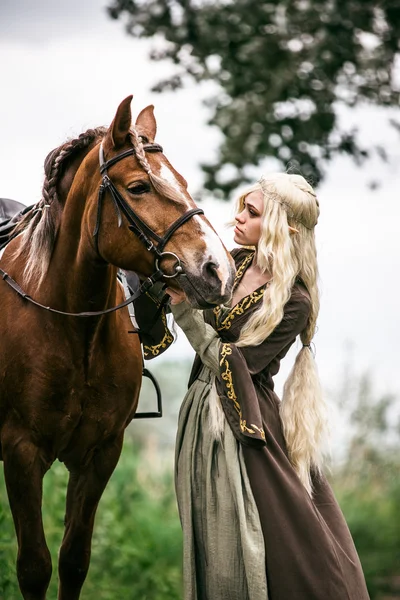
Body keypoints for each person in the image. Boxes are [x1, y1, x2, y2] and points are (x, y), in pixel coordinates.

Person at [166, 173, 370, 600]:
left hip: (240, 417)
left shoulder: (294, 302)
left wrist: (185, 313)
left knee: (259, 537)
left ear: (280, 225)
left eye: (252, 212)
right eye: (241, 206)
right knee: (206, 531)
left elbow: (235, 362)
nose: (237, 217)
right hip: (199, 410)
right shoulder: (232, 261)